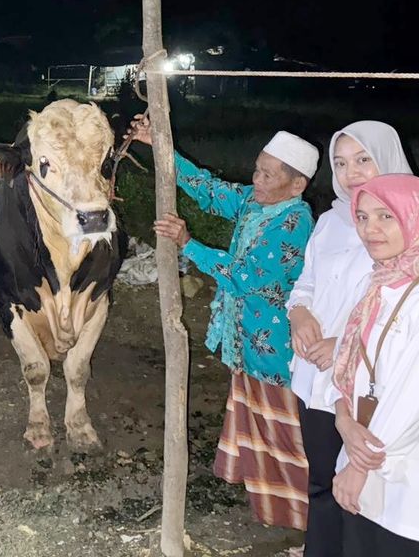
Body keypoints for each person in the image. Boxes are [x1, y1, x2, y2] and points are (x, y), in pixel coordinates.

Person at [131, 116, 316, 531]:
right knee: (265, 430)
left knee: (286, 437)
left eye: (268, 174)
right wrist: (160, 147)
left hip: (275, 351)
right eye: (257, 169)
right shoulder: (259, 202)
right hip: (247, 341)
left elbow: (244, 277)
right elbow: (211, 192)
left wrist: (187, 244)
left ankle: (308, 519)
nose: (258, 179)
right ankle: (274, 508)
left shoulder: (294, 223)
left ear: (297, 184)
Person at [286, 122, 419, 556]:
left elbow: (413, 324)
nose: (351, 173)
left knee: (363, 503)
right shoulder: (331, 221)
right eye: (341, 163)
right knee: (323, 484)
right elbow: (307, 282)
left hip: (374, 400)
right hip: (326, 383)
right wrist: (299, 313)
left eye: (363, 159)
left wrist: (345, 344)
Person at [327, 175, 419, 555]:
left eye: (386, 216)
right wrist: (342, 418)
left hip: (409, 484)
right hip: (358, 459)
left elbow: (414, 402)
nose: (371, 229)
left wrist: (360, 469)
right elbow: (346, 365)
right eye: (362, 216)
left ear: (416, 219)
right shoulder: (377, 285)